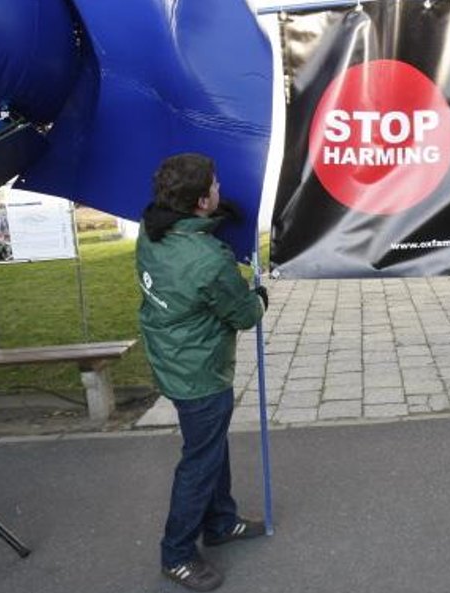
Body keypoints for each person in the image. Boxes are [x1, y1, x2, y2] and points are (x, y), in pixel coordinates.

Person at [136, 153, 269, 591]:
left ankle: (221, 522)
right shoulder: (208, 260)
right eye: (214, 185)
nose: (219, 189)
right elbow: (244, 314)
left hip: (172, 356)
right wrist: (260, 297)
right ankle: (176, 553)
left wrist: (215, 219)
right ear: (199, 201)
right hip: (198, 370)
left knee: (208, 446)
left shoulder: (151, 228)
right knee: (200, 461)